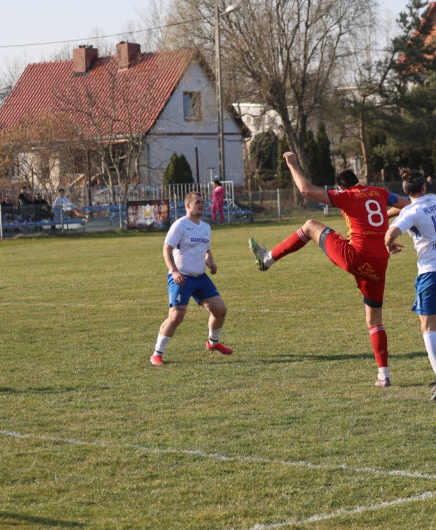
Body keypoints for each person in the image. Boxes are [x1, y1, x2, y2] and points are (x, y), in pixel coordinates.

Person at [248, 152, 408, 387]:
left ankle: (268, 259)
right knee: (374, 320)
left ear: (341, 188)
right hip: (379, 264)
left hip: (355, 257)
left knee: (311, 226)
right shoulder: (380, 192)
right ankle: (383, 375)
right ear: (359, 181)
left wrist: (292, 165)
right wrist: (384, 228)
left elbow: (307, 190)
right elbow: (405, 206)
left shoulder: (346, 196)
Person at [385, 169, 436, 401]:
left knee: (427, 326)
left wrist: (389, 244)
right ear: (424, 187)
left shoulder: (411, 210)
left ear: (406, 192)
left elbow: (390, 233)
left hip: (431, 273)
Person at [150, 191, 231, 366]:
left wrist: (210, 263)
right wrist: (174, 271)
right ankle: (157, 353)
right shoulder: (180, 225)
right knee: (176, 316)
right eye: (197, 202)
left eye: (203, 202)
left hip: (200, 277)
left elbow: (206, 251)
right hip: (182, 277)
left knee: (220, 310)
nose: (201, 204)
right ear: (188, 205)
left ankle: (213, 343)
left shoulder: (205, 227)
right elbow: (167, 249)